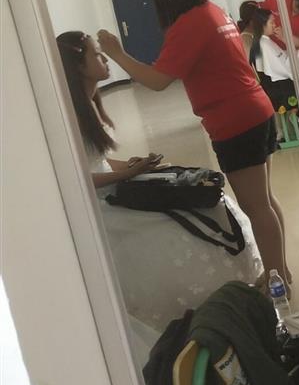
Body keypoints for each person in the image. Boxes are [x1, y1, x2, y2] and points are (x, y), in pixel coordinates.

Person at [97, 0, 290, 281]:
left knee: (256, 206)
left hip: (235, 120)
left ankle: (277, 279)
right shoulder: (213, 11)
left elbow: (157, 81)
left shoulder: (190, 23)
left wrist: (117, 53)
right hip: (255, 109)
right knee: (265, 201)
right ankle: (280, 270)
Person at [56, 31, 263, 330]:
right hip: (101, 202)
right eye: (97, 54)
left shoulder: (89, 105)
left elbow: (98, 161)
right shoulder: (71, 116)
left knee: (207, 200)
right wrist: (127, 173)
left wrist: (133, 165)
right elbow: (78, 176)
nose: (104, 59)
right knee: (174, 228)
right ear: (78, 66)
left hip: (115, 184)